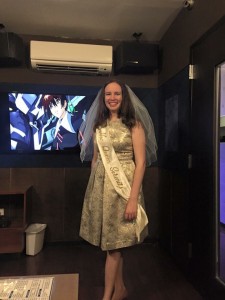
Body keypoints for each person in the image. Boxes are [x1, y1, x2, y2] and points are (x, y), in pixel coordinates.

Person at [79, 80, 157, 300]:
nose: (112, 98)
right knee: (113, 245)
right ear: (103, 98)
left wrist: (133, 199)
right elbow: (95, 161)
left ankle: (107, 296)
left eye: (117, 94)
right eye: (108, 94)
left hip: (123, 190)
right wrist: (93, 194)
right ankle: (120, 289)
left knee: (113, 247)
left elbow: (141, 163)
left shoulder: (134, 125)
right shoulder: (99, 127)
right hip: (102, 190)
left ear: (124, 97)